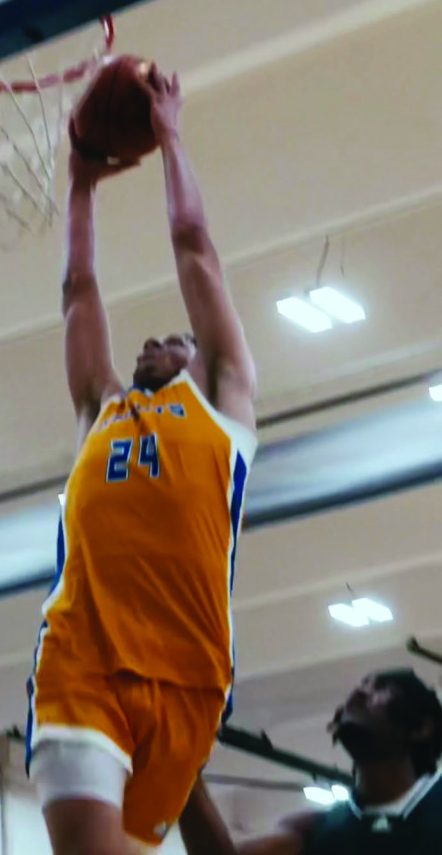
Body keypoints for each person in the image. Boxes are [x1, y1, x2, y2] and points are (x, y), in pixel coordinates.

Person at [24, 64, 258, 855]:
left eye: (177, 337)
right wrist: (81, 185)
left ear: (205, 355)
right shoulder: (102, 411)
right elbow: (78, 291)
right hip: (82, 661)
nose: (157, 339)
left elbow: (195, 248)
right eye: (153, 337)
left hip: (190, 682)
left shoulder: (223, 402)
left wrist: (170, 136)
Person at [179, 668, 442, 855]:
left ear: (422, 728)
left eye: (383, 689)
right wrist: (182, 769)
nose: (361, 692)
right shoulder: (315, 829)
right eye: (363, 684)